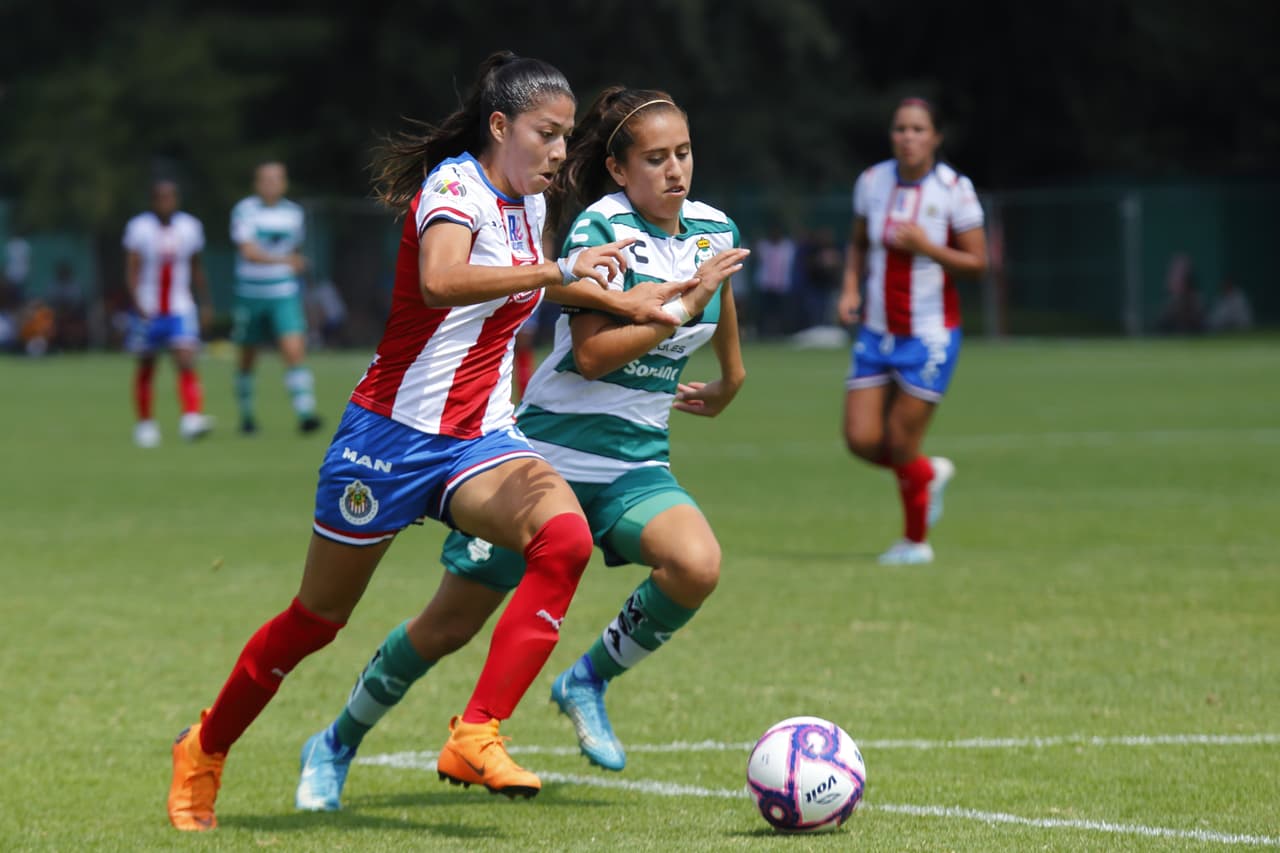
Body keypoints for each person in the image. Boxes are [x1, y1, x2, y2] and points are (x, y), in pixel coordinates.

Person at [167, 52, 693, 832]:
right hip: (387, 439)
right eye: (546, 135)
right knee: (316, 618)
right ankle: (204, 747)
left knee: (564, 538)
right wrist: (558, 267)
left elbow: (538, 279)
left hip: (480, 440)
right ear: (499, 126)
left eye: (566, 137)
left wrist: (623, 300)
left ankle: (477, 730)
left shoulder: (534, 208)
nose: (559, 152)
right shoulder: (454, 187)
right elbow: (444, 280)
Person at [292, 85, 748, 812]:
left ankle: (586, 679)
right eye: (656, 158)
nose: (675, 171)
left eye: (684, 154)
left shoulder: (715, 226)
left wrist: (731, 373)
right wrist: (678, 307)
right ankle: (338, 739)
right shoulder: (601, 231)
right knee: (447, 625)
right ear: (620, 170)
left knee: (696, 564)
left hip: (635, 458)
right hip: (543, 459)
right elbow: (596, 356)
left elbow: (718, 293)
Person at [837, 97, 987, 565]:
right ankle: (926, 473)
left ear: (936, 137)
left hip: (929, 335)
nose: (908, 137)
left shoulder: (955, 190)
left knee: (901, 442)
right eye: (900, 128)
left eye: (918, 129)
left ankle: (914, 543)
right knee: (861, 439)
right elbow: (859, 243)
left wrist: (928, 246)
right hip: (876, 332)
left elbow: (978, 264)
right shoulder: (872, 181)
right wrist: (849, 289)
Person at [230, 161, 321, 434]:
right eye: (266, 179)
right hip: (251, 293)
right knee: (247, 357)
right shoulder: (244, 211)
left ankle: (306, 413)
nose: (271, 184)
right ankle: (246, 417)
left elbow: (294, 252)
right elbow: (249, 252)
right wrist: (285, 260)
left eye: (277, 179)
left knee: (294, 351)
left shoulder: (294, 214)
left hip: (283, 293)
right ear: (257, 183)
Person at [122, 180, 214, 447]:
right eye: (160, 197)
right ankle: (145, 424)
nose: (166, 202)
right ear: (152, 201)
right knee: (147, 364)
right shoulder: (139, 228)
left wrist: (206, 302)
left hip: (180, 306)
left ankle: (190, 419)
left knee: (186, 358)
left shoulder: (190, 227)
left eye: (170, 197)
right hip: (148, 306)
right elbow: (132, 268)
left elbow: (197, 266)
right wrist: (136, 299)